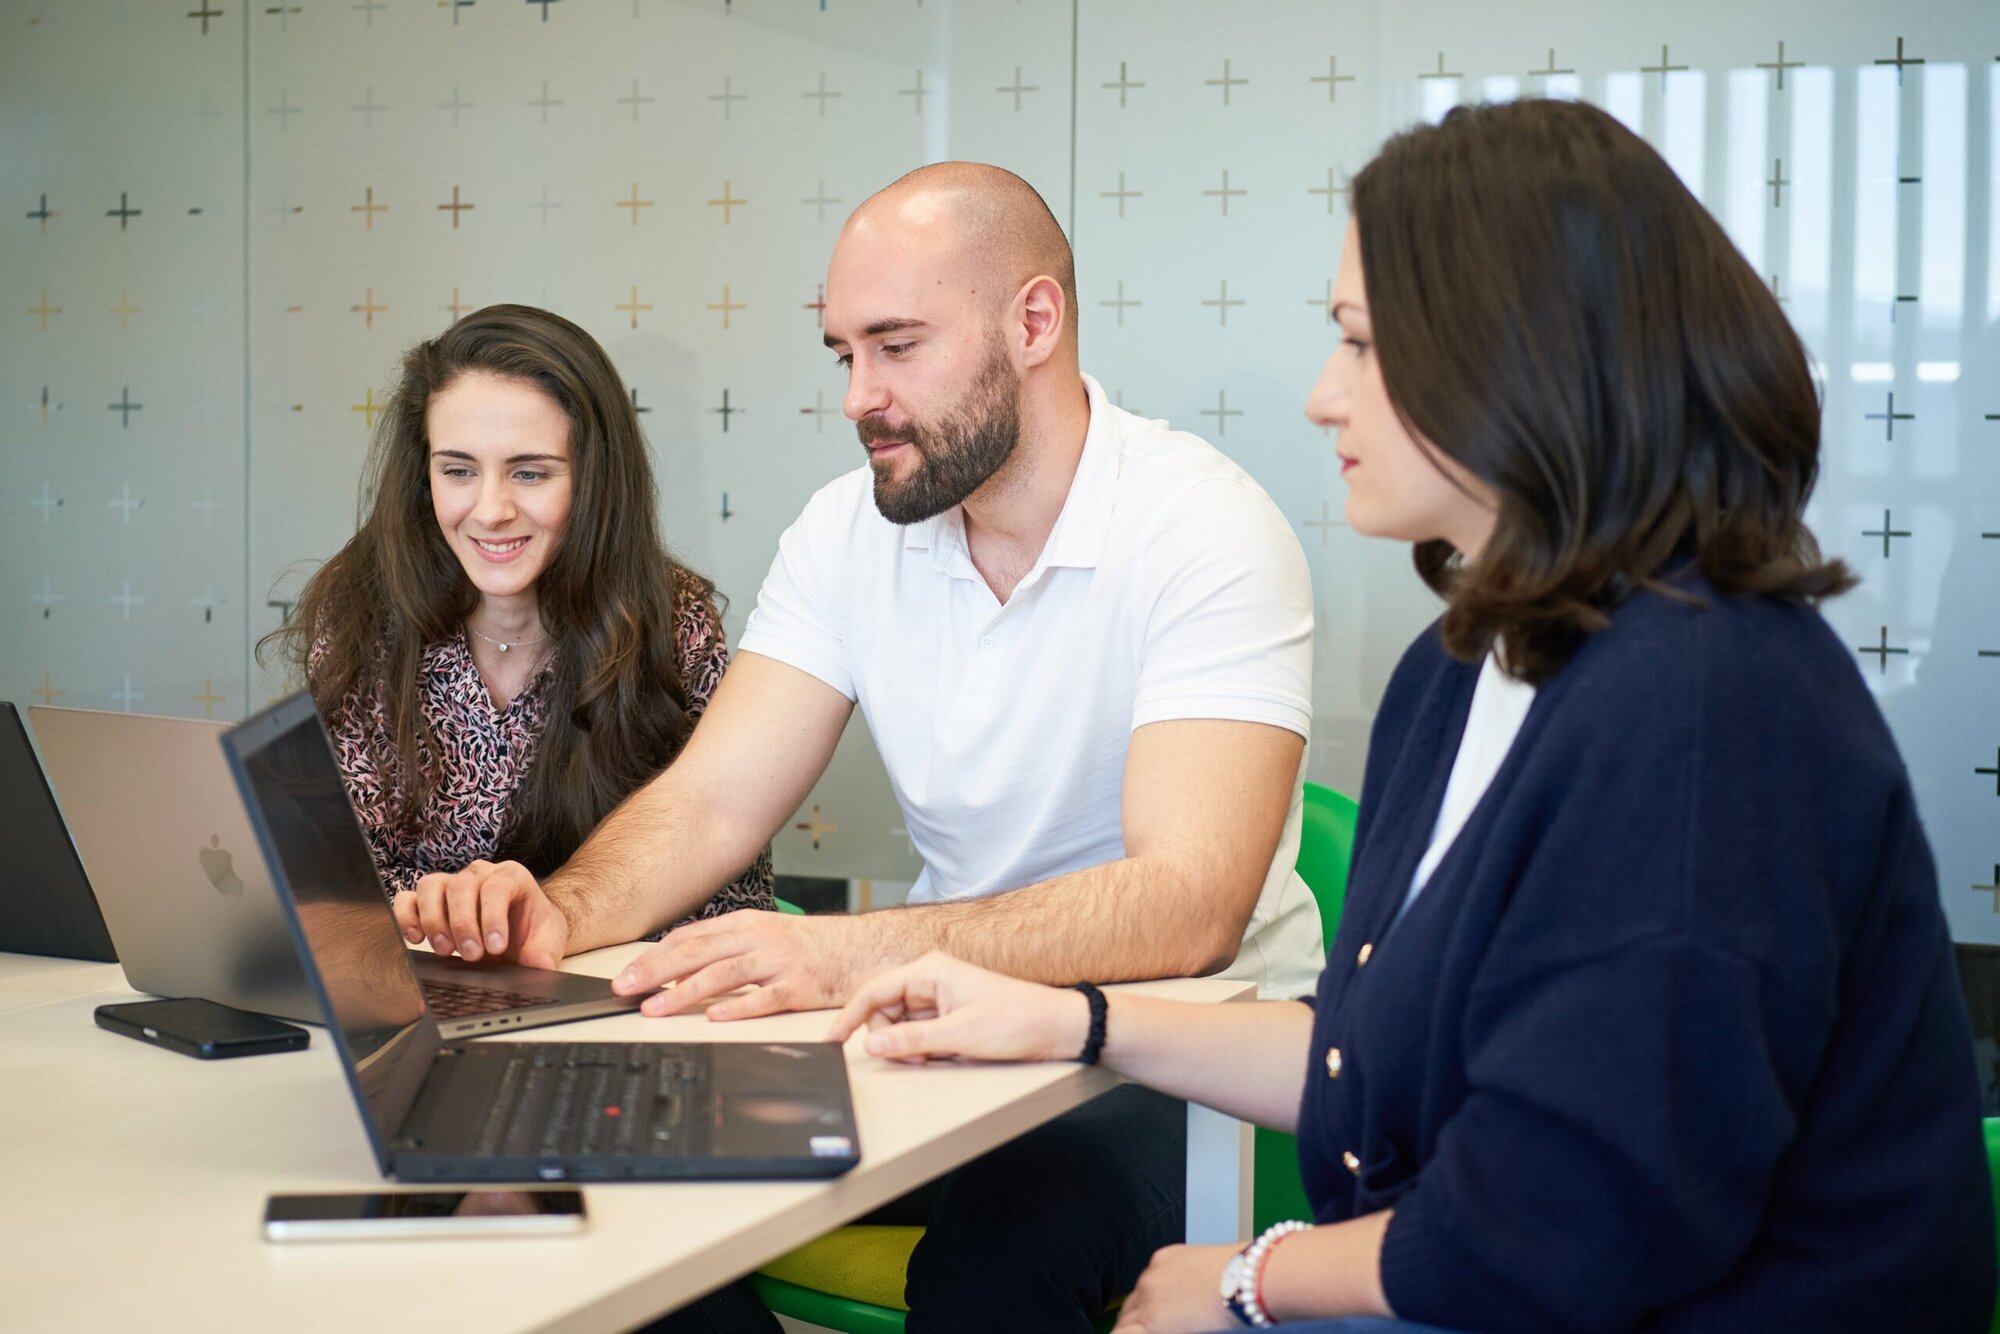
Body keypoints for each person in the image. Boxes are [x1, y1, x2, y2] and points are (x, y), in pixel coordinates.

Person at [826, 100, 1998, 1333]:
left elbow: (1574, 1223)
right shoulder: (1462, 663)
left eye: (1361, 345)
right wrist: (1071, 1017)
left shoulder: (1707, 704)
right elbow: (1370, 1057)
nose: (1324, 399)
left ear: (1527, 359)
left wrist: (1245, 1277)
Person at [395, 165, 1323, 1330]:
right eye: (844, 352)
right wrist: (563, 915)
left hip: (1168, 1054)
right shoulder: (847, 531)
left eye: (896, 346)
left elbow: (1188, 904)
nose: (857, 396)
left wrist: (850, 953)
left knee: (998, 1263)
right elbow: (713, 800)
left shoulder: (1201, 527)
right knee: (618, 1200)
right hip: (942, 1037)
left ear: (1032, 323)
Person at [265, 304, 773, 941]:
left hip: (608, 1004)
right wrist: (448, 921)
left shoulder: (673, 625)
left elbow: (723, 897)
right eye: (458, 471)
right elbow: (334, 881)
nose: (490, 509)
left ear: (594, 481)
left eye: (529, 473)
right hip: (418, 987)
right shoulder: (363, 617)